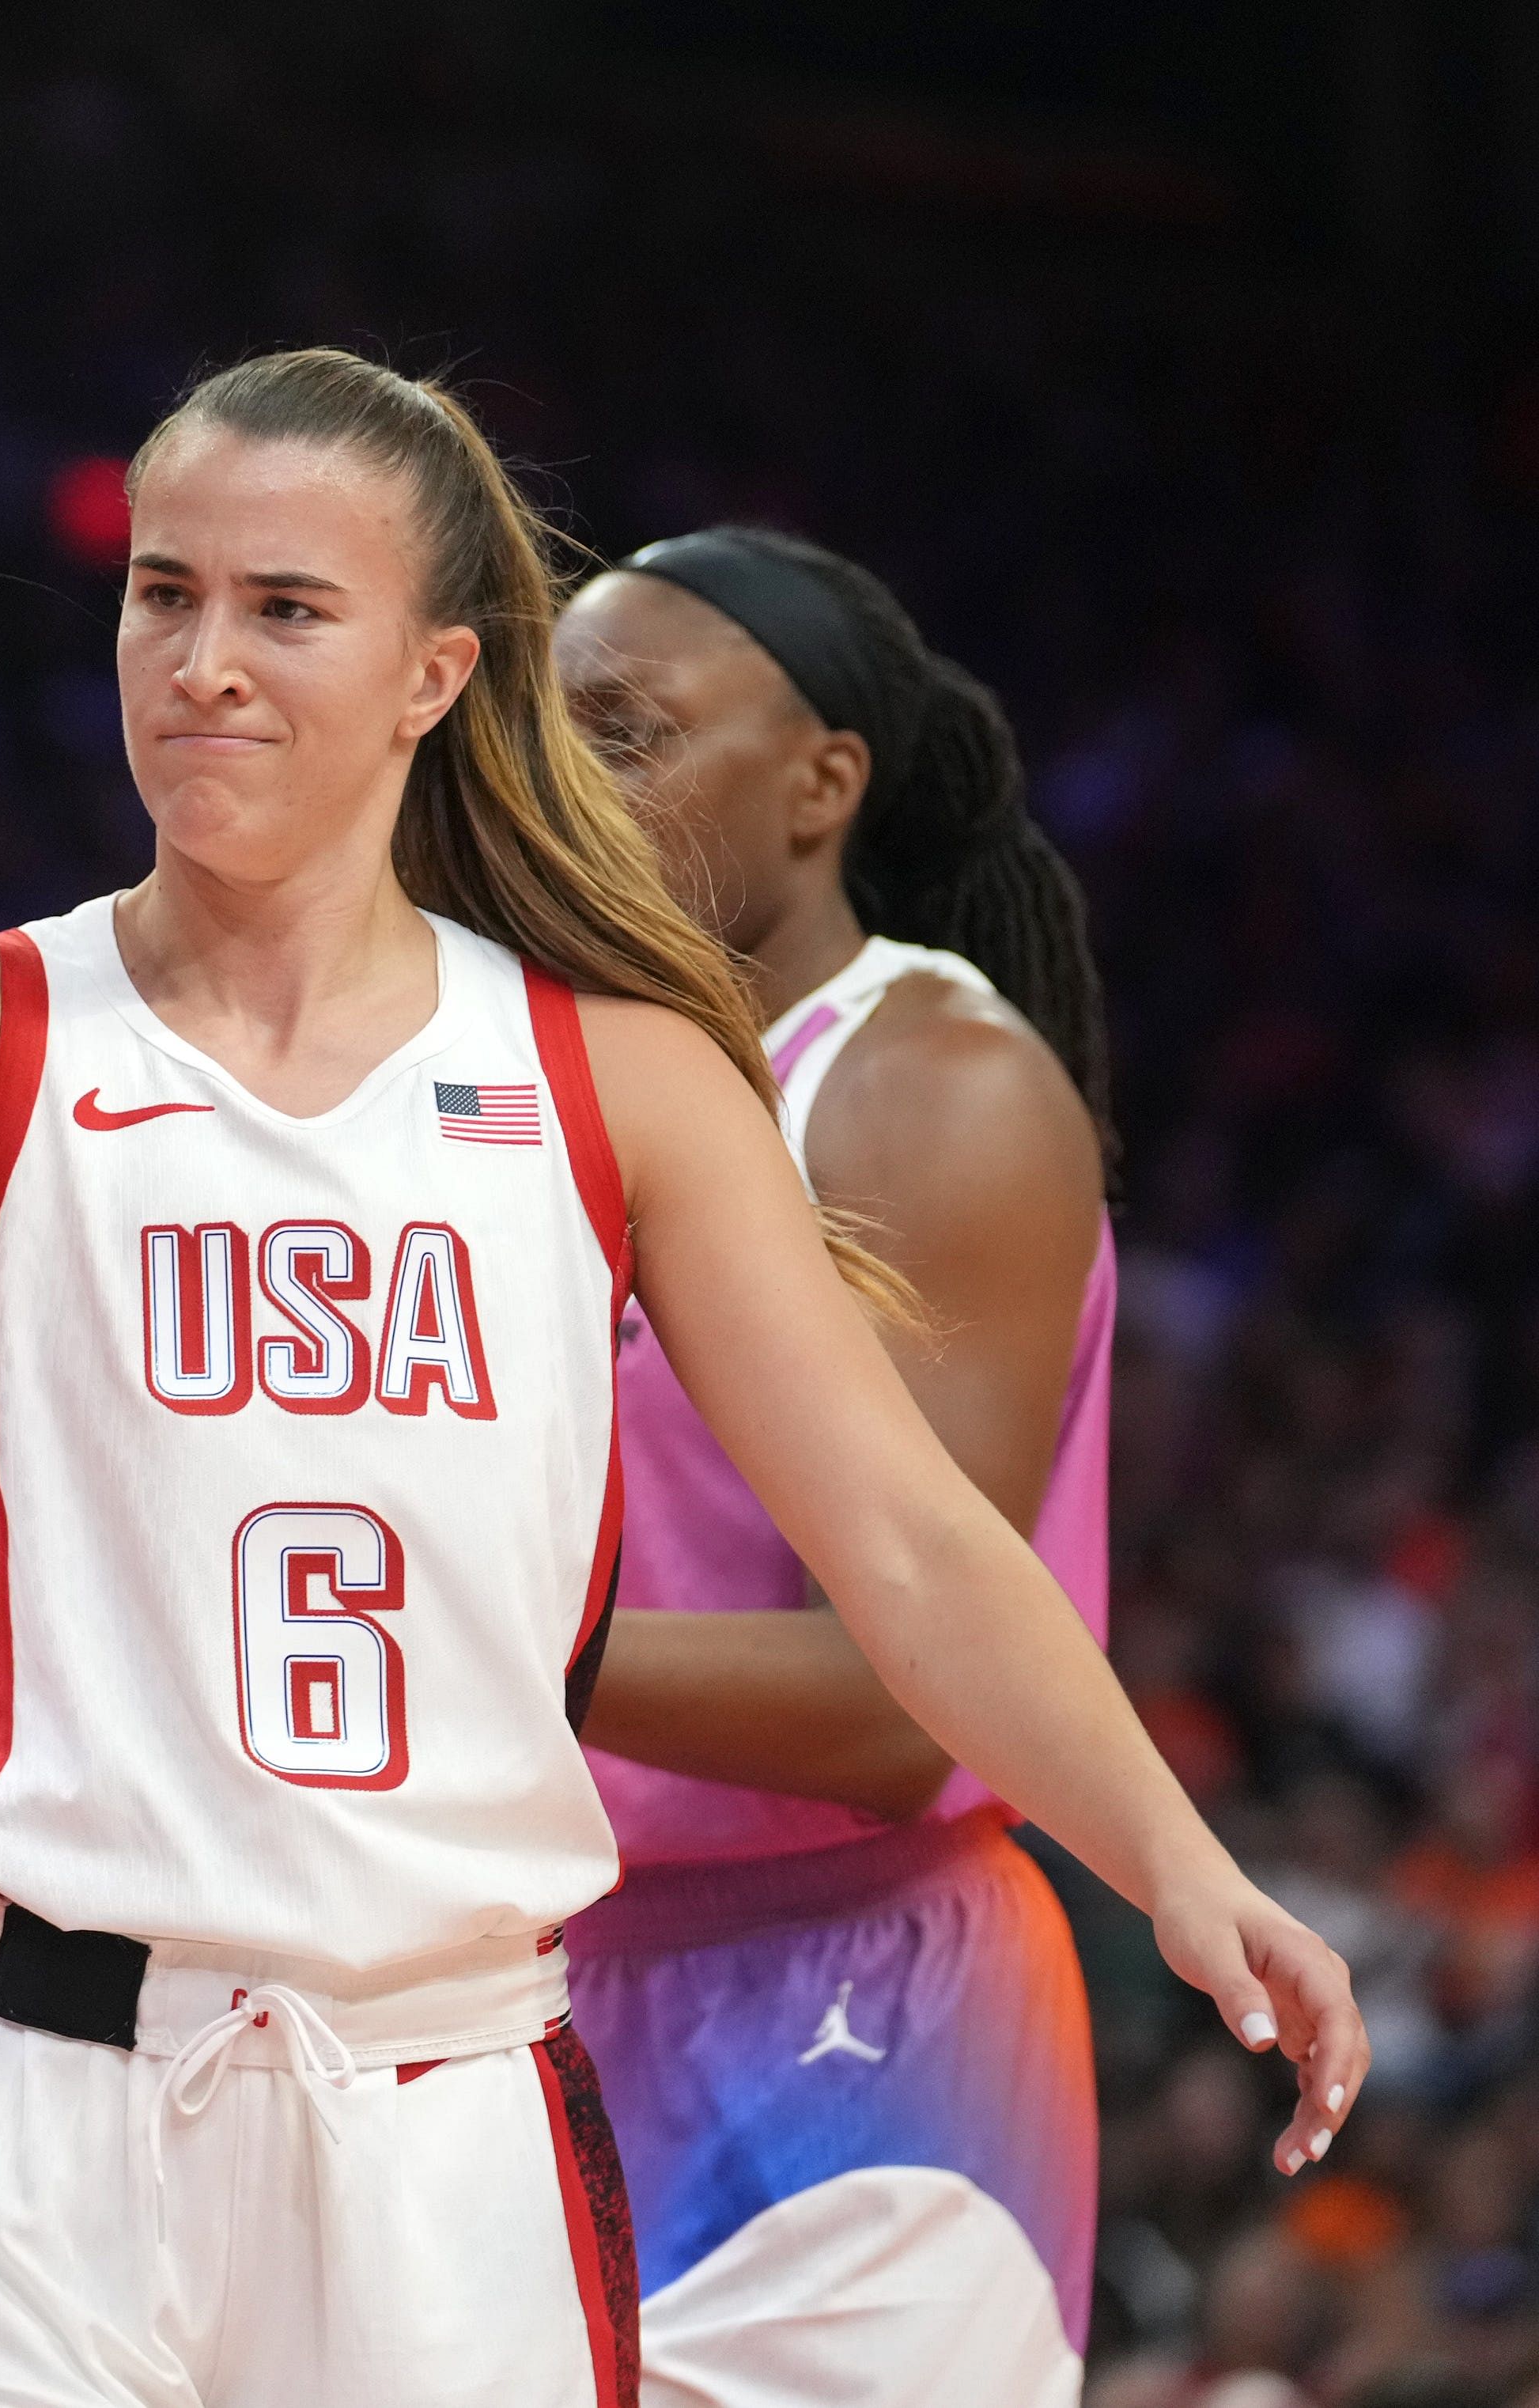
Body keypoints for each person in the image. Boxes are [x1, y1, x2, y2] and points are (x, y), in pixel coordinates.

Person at [0, 346, 1363, 2406]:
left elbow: (901, 1536)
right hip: (9, 2089)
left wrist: (1172, 1857)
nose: (199, 659)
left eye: (281, 607)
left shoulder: (610, 1076)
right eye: (159, 594)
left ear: (431, 674)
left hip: (444, 2104)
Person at [553, 528, 1118, 2407]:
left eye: (627, 730)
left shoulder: (924, 1080)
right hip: (539, 1974)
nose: (567, 781)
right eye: (543, 735)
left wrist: (458, 1632)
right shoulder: (552, 1077)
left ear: (824, 781)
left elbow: (911, 1691)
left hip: (856, 1997)